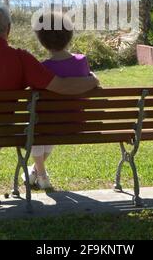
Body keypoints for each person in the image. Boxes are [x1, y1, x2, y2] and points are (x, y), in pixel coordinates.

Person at [0, 7, 98, 201]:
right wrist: (92, 80)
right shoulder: (21, 58)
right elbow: (61, 85)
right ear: (8, 29)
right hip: (4, 128)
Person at [23, 12, 92, 189]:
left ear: (42, 40)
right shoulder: (82, 62)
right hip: (74, 123)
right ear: (69, 36)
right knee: (50, 122)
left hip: (46, 125)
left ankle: (41, 174)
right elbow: (89, 79)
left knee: (39, 125)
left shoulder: (43, 68)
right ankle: (37, 172)